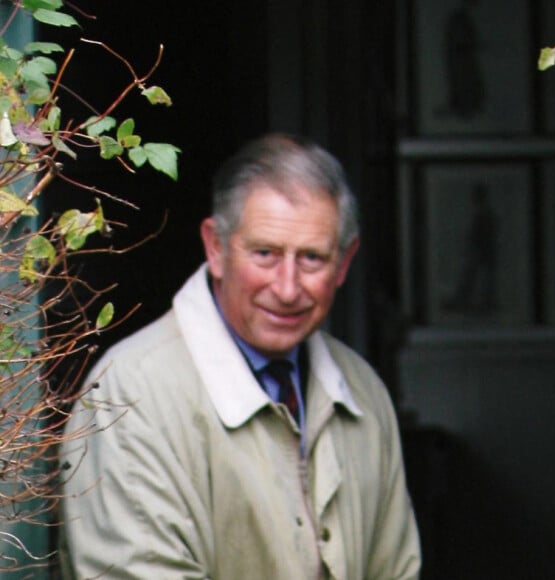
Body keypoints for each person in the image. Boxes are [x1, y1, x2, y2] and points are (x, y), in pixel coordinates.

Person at [59, 133, 421, 579]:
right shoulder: (130, 395)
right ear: (216, 247)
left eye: (311, 259)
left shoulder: (363, 391)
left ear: (344, 263)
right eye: (265, 254)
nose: (287, 288)